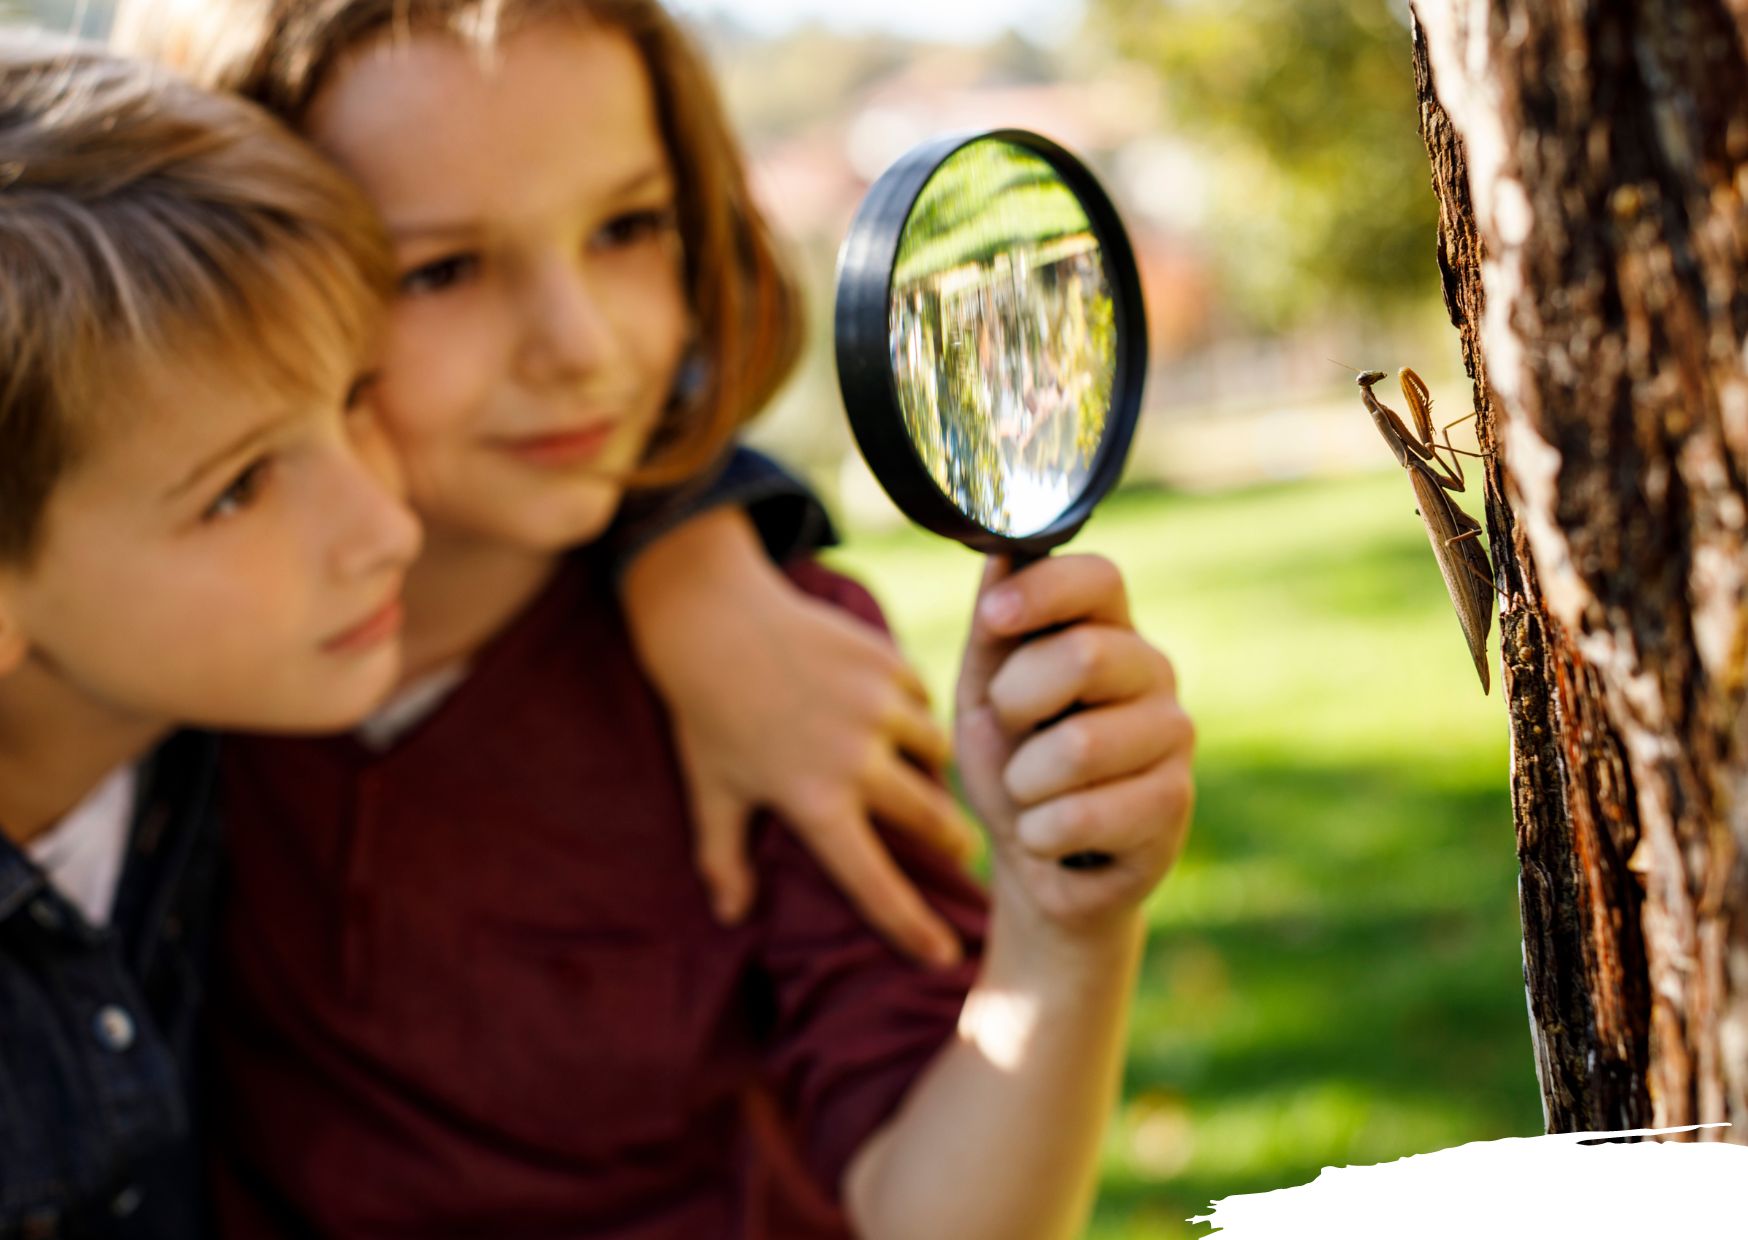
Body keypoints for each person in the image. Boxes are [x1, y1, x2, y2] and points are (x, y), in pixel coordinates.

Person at [122, 2, 1197, 1236]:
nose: (578, 346)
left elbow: (938, 1210)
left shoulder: (786, 667)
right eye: (442, 269)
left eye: (628, 226)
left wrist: (1063, 936)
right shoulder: (160, 658)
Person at [0, 30, 423, 1235]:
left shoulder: (228, 705)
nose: (387, 525)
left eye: (353, 401)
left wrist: (695, 553)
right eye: (237, 487)